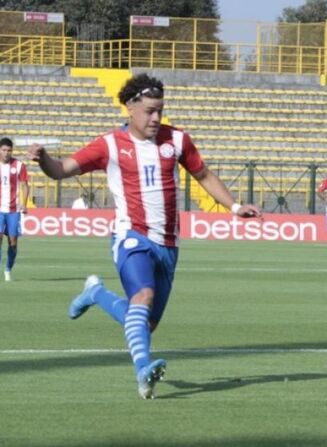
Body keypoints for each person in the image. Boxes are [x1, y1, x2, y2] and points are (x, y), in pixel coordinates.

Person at [28, 73, 262, 399]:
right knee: (143, 298)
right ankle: (143, 371)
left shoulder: (177, 141)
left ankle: (95, 293)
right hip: (131, 235)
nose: (156, 118)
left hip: (168, 245)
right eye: (150, 111)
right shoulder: (109, 145)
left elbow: (204, 175)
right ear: (130, 108)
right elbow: (62, 170)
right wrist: (44, 161)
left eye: (160, 111)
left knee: (143, 323)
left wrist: (234, 207)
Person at [0, 137, 29, 282]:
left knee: (13, 242)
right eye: (4, 150)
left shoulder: (19, 165)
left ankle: (8, 269)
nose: (6, 153)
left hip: (14, 209)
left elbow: (24, 185)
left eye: (9, 150)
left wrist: (24, 203)